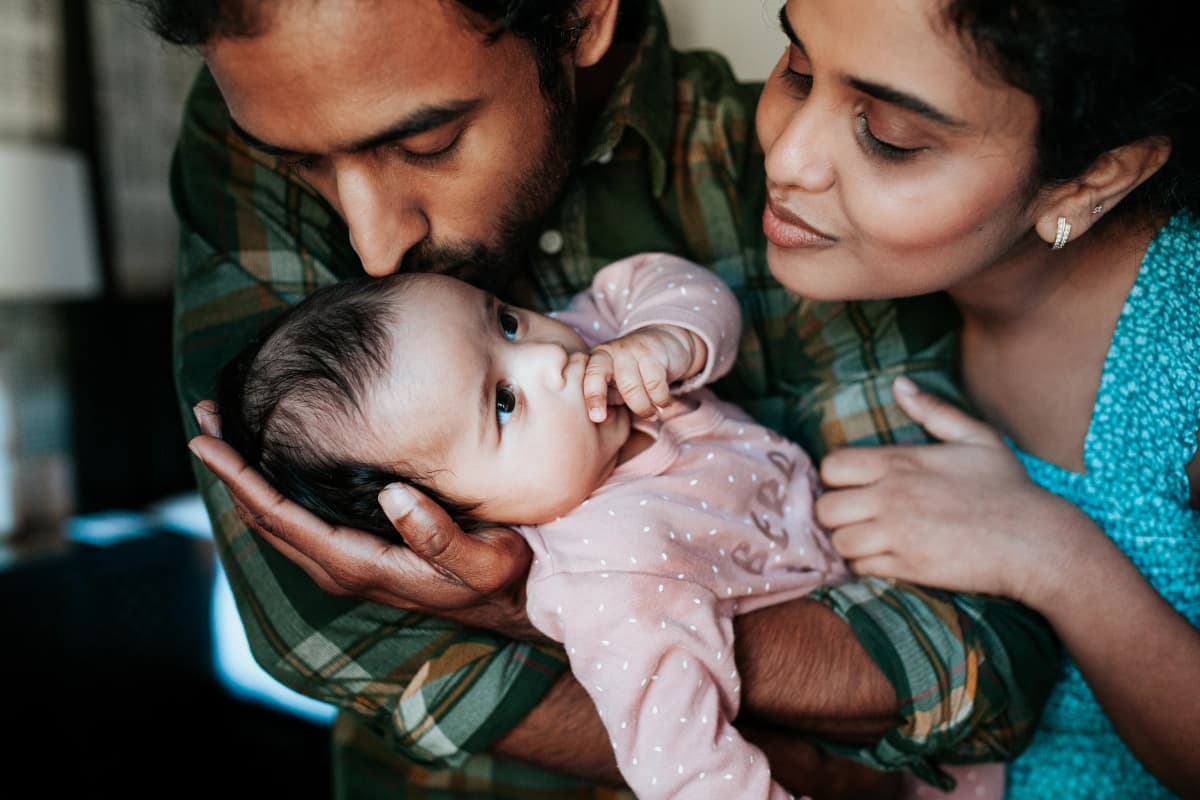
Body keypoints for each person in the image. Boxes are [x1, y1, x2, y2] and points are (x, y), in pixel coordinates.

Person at [148, 0, 1059, 796]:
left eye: (428, 142)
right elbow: (324, 633)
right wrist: (628, 628)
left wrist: (514, 613)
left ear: (584, 13)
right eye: (300, 167)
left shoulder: (778, 173)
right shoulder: (278, 86)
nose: (374, 247)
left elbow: (986, 660)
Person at [753, 0, 1200, 797]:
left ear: (1094, 178)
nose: (789, 157)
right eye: (797, 69)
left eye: (889, 136)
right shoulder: (845, 289)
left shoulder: (1187, 348)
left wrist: (1053, 556)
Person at [217, 252, 856, 799]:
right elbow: (686, 769)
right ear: (443, 518)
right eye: (502, 403)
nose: (550, 355)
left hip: (865, 530)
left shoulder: (601, 344)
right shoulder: (611, 578)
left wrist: (669, 335)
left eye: (506, 321)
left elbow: (660, 280)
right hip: (851, 636)